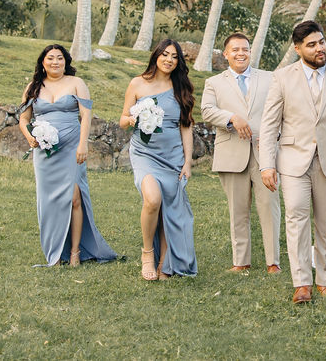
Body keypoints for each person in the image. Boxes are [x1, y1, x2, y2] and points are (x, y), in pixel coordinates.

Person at [258, 20, 326, 304]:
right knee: (295, 214)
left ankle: (325, 279)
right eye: (312, 45)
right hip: (293, 160)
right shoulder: (282, 78)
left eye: (321, 42)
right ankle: (302, 282)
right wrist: (266, 164)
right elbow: (269, 125)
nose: (320, 48)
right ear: (297, 49)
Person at [18, 44, 118, 267]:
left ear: (66, 61)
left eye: (60, 58)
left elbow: (86, 114)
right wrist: (29, 136)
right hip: (45, 153)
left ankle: (75, 252)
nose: (55, 62)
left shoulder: (76, 83)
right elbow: (23, 119)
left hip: (72, 149)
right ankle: (55, 248)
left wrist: (83, 144)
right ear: (42, 62)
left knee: (75, 197)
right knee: (50, 201)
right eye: (51, 58)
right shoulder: (33, 87)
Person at [200, 33, 282, 274]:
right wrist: (231, 118)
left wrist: (275, 139)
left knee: (269, 207)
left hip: (264, 153)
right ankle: (241, 261)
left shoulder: (270, 78)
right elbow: (206, 110)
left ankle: (273, 261)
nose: (240, 53)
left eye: (245, 49)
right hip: (231, 153)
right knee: (237, 210)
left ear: (250, 52)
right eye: (235, 49)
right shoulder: (214, 82)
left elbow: (281, 110)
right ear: (225, 54)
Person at [120, 39, 197, 281]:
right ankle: (147, 254)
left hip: (173, 157)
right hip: (144, 154)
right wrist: (132, 120)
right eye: (165, 54)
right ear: (156, 55)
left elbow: (186, 127)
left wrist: (187, 162)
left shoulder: (181, 87)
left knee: (170, 208)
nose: (169, 60)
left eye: (174, 56)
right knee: (152, 200)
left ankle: (165, 263)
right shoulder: (137, 83)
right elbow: (122, 119)